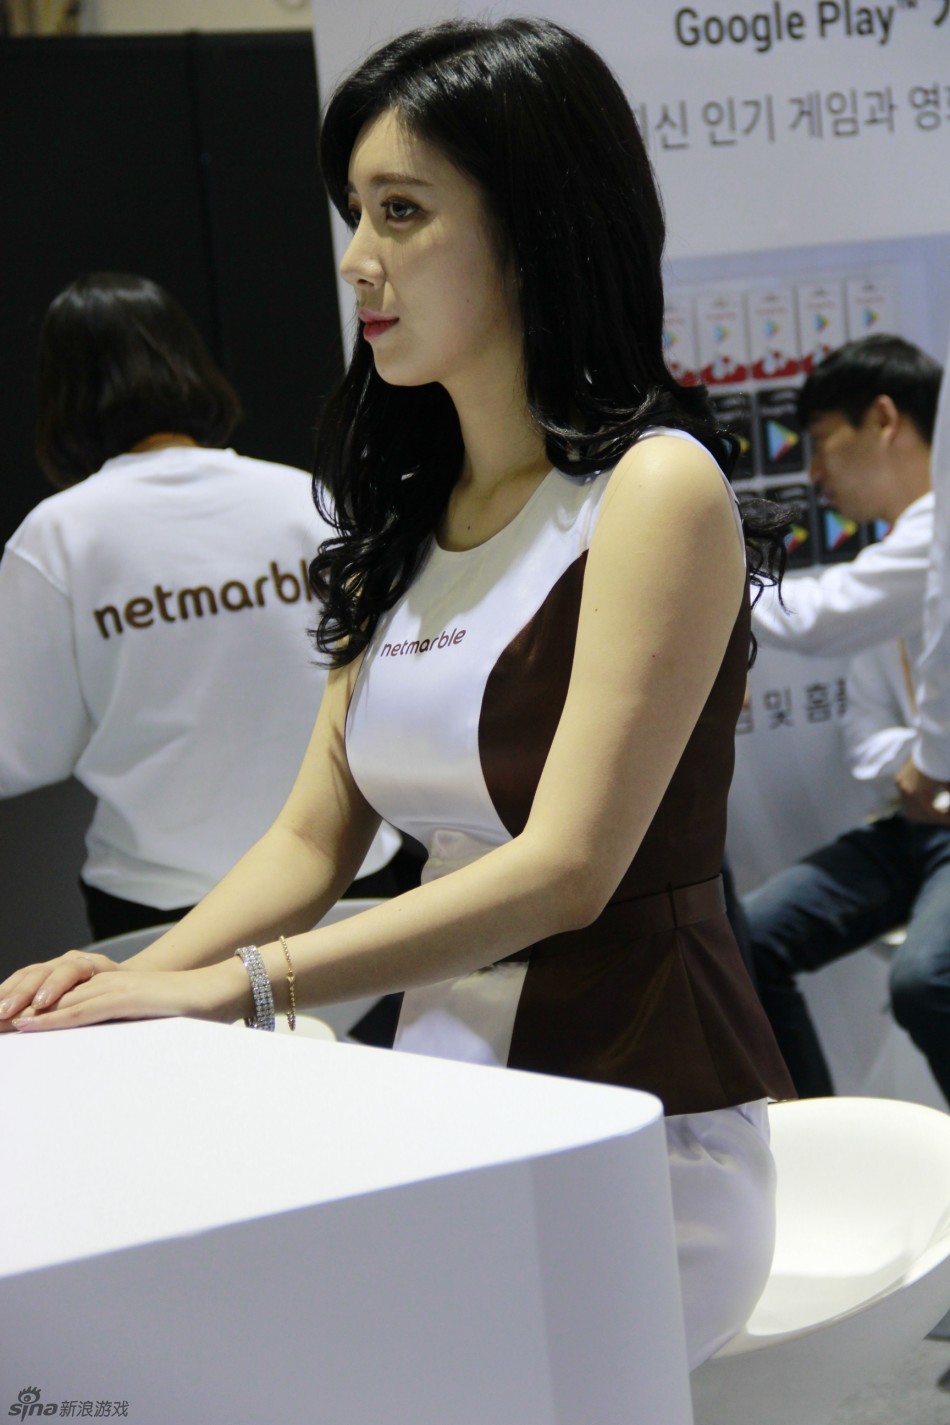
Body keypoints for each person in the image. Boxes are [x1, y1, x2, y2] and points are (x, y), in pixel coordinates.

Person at [0, 21, 794, 1367]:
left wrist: (237, 987)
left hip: (634, 1129)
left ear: (534, 228)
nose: (357, 257)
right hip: (445, 1098)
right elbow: (311, 838)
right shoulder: (406, 520)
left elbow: (565, 871)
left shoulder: (652, 489)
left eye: (402, 212)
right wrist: (125, 976)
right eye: (355, 213)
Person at [0, 272, 401, 941]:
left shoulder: (59, 536)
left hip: (163, 906)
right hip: (347, 876)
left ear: (62, 395)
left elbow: (22, 746)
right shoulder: (304, 500)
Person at [743, 335, 949, 1104]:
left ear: (885, 419)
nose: (814, 472)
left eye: (823, 439)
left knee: (926, 979)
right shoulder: (897, 558)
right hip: (913, 822)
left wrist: (693, 558)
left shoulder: (938, 534)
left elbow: (814, 618)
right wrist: (920, 765)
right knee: (748, 940)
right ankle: (820, 1142)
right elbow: (867, 741)